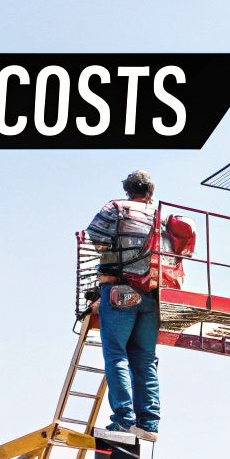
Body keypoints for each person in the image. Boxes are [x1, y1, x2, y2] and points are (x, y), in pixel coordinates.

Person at [85, 170, 162, 442]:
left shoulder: (115, 208)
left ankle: (123, 420)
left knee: (116, 355)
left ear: (127, 189)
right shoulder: (159, 215)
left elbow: (95, 238)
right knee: (144, 359)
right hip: (152, 295)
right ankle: (149, 424)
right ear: (150, 191)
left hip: (118, 291)